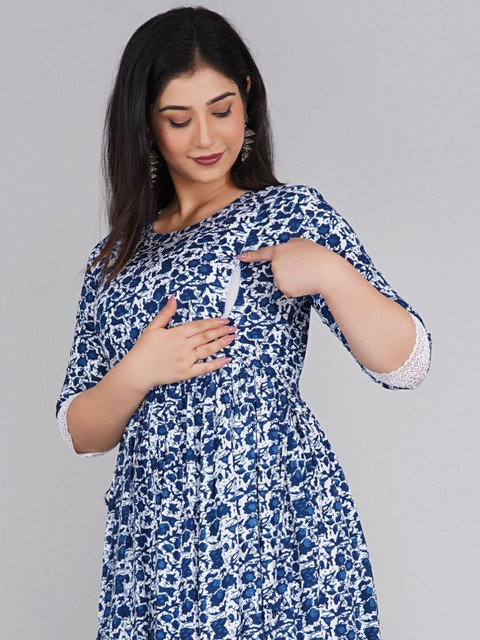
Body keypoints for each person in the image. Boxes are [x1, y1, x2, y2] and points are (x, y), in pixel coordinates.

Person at [55, 6, 432, 639]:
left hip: (273, 525)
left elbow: (408, 363)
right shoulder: (115, 258)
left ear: (248, 98)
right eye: (179, 119)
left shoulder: (290, 215)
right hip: (157, 543)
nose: (206, 137)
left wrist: (332, 273)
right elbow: (79, 431)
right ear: (145, 123)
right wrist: (139, 371)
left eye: (222, 110)